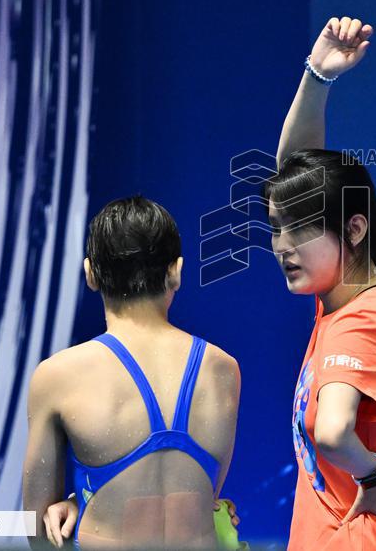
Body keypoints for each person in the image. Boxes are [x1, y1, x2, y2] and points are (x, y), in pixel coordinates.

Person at [268, 16, 376, 549]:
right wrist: (318, 76)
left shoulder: (365, 321)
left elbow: (333, 432)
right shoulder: (349, 301)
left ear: (355, 228)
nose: (281, 246)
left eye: (299, 229)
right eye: (276, 229)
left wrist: (375, 476)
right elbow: (295, 173)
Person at [22, 195, 240, 549]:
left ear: (91, 274)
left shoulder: (57, 377)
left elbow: (39, 529)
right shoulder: (223, 369)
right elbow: (197, 493)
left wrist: (82, 503)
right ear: (176, 272)